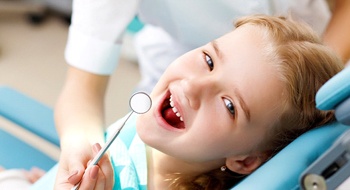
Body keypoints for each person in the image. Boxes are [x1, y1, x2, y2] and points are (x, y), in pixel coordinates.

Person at [10, 15, 340, 189]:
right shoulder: (163, 132)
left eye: (229, 106)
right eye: (209, 60)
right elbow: (79, 96)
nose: (194, 86)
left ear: (245, 161)